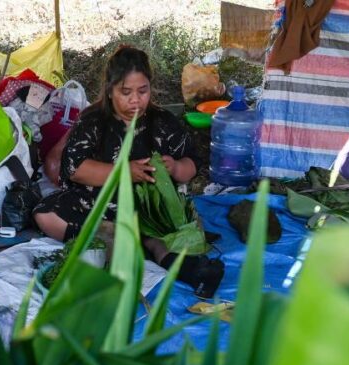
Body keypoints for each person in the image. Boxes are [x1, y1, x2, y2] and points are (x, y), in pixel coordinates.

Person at [33, 45, 225, 298]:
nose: (135, 100)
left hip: (150, 212)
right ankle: (145, 246)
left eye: (142, 91)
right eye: (126, 92)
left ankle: (164, 254)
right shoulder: (93, 121)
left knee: (159, 229)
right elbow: (74, 169)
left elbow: (192, 163)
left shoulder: (163, 122)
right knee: (44, 214)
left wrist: (177, 168)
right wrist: (123, 172)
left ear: (150, 88)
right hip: (97, 206)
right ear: (110, 91)